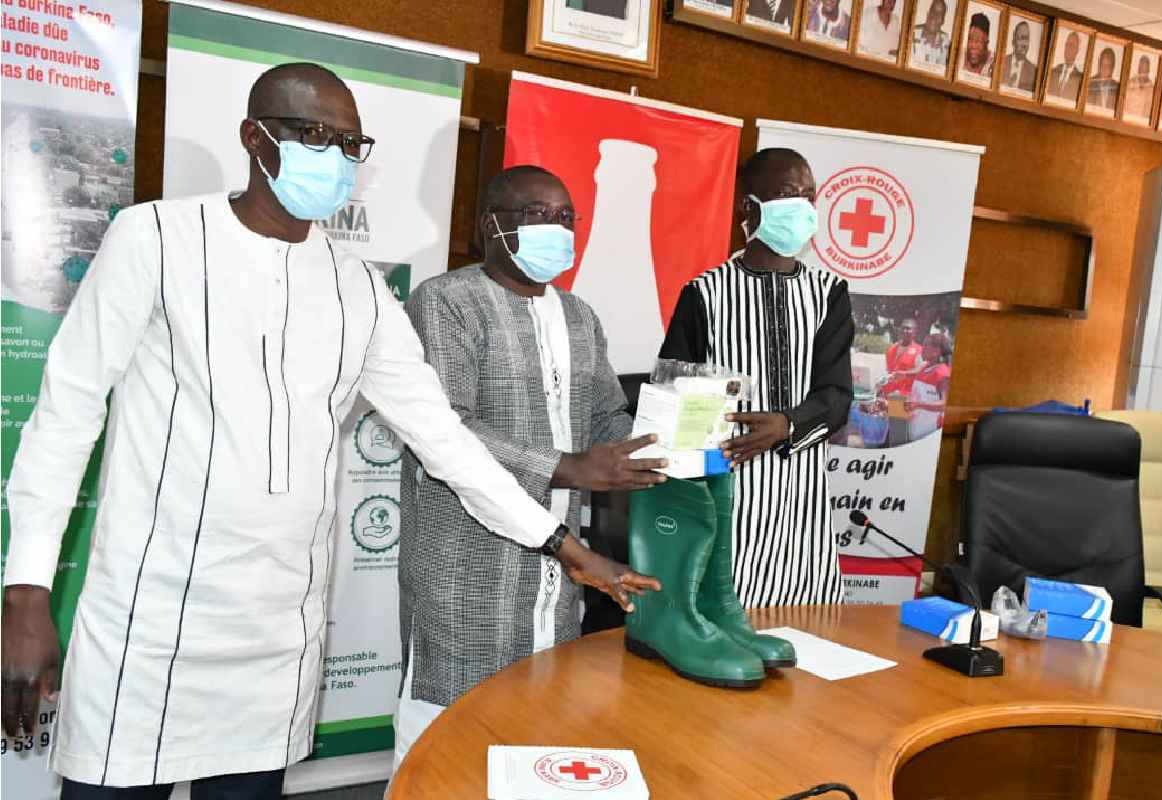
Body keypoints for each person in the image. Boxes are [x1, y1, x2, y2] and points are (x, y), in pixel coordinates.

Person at [0, 63, 651, 800]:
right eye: (314, 134)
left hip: (278, 630)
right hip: (148, 618)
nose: (336, 157)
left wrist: (564, 547)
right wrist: (25, 593)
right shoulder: (154, 238)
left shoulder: (357, 287)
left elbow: (445, 439)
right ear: (255, 138)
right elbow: (67, 411)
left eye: (349, 143)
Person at [392, 165, 664, 764]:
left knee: (536, 739)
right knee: (446, 748)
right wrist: (568, 467)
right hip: (465, 572)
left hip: (558, 579)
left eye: (566, 217)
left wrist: (662, 447)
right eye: (538, 214)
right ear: (491, 225)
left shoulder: (580, 316)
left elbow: (605, 415)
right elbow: (449, 430)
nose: (557, 228)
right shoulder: (445, 302)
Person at [659, 148, 853, 609]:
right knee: (723, 615)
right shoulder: (704, 294)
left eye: (808, 196)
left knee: (807, 625)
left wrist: (786, 424)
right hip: (728, 497)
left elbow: (837, 396)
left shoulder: (829, 294)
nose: (802, 206)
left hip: (803, 501)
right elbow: (674, 402)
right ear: (749, 207)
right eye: (787, 194)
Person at [906, 333, 952, 440]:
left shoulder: (943, 373)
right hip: (915, 431)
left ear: (937, 351)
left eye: (926, 345)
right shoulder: (924, 368)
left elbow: (944, 404)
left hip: (930, 434)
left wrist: (918, 405)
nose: (922, 348)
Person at [880, 318, 923, 397]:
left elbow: (920, 371)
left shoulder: (919, 351)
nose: (904, 331)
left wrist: (904, 373)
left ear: (915, 332)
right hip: (888, 394)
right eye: (902, 328)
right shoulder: (892, 348)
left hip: (906, 396)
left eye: (908, 328)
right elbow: (888, 371)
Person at [910, 0, 951, 69]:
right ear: (928, 14)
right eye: (933, 11)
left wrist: (939, 50)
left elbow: (942, 69)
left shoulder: (945, 40)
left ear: (943, 20)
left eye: (940, 14)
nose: (935, 16)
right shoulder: (912, 32)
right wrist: (924, 41)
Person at [1000, 19, 1037, 93]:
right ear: (1014, 40)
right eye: (1021, 38)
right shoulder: (1001, 61)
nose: (1024, 44)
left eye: (1027, 39)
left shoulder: (1033, 71)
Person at [1047, 31, 1084, 102]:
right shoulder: (1053, 71)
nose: (1068, 48)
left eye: (1071, 45)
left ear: (1077, 50)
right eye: (1067, 44)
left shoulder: (1080, 78)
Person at [961, 12, 994, 79]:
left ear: (987, 42)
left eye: (978, 41)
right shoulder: (959, 57)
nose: (973, 46)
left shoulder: (993, 63)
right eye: (970, 39)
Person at [1124, 55, 1157, 120]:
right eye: (1141, 68)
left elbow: (1151, 110)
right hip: (1128, 119)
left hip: (1143, 122)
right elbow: (1124, 104)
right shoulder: (1129, 83)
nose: (1143, 71)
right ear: (1138, 69)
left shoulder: (1152, 89)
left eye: (1145, 68)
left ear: (1148, 70)